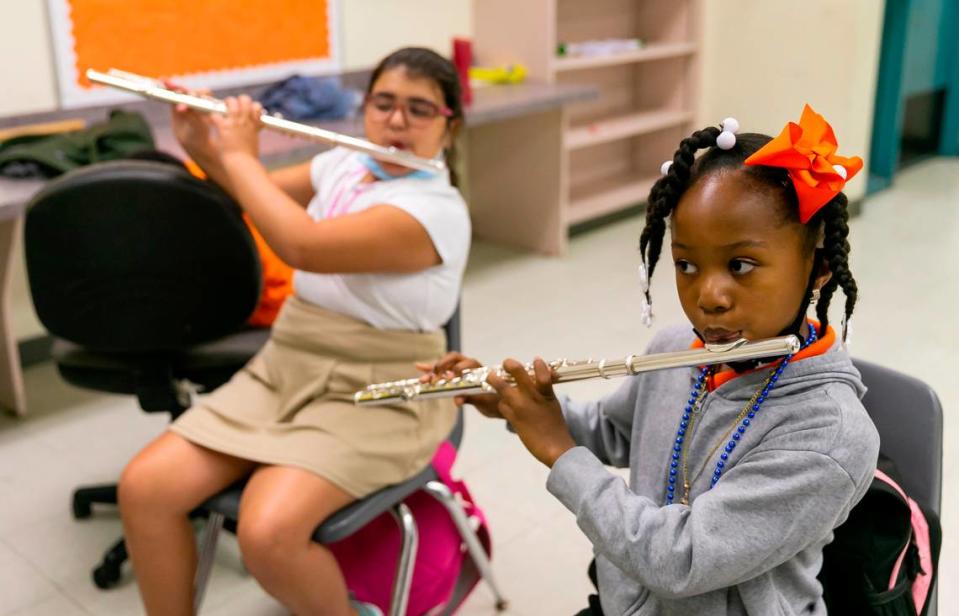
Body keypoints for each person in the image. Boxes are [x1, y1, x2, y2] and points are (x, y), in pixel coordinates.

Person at [426, 105, 879, 615]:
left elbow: (681, 559)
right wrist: (518, 405)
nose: (708, 296)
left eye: (741, 265)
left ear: (818, 268)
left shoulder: (829, 436)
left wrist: (559, 453)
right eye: (686, 264)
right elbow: (613, 432)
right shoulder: (676, 349)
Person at [117, 47, 469, 616]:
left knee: (267, 532)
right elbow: (246, 193)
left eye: (419, 109)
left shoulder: (436, 210)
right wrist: (203, 144)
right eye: (383, 103)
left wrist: (241, 154)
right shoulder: (341, 164)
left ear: (449, 127)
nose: (396, 121)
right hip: (288, 365)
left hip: (381, 392)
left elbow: (302, 245)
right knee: (144, 489)